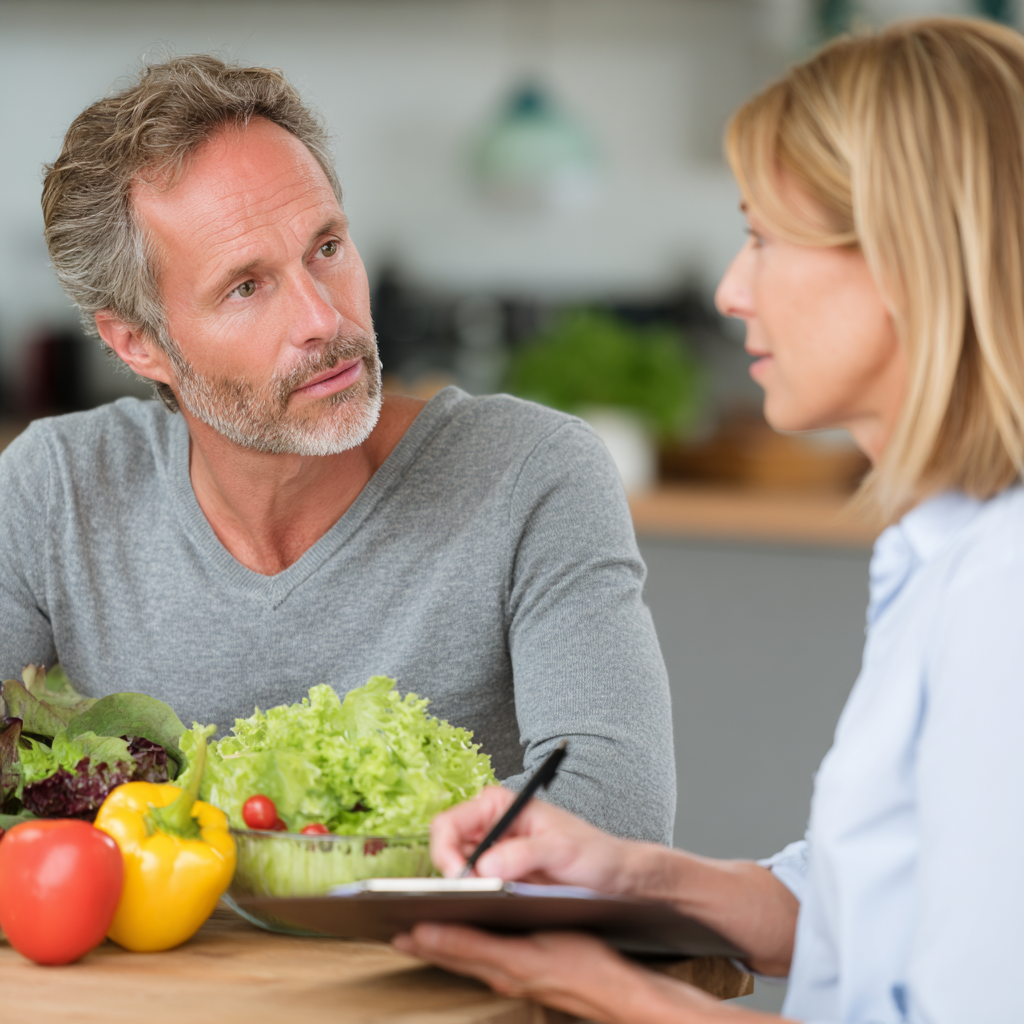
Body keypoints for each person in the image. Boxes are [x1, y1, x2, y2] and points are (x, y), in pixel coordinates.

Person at [393, 17, 1024, 1023]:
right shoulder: (942, 549)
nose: (732, 290)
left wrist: (611, 996)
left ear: (908, 258)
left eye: (766, 238)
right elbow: (859, 914)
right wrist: (625, 874)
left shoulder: (1004, 595)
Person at [0, 56, 675, 843]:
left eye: (326, 247)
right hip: (155, 970)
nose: (324, 317)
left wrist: (282, 855)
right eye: (247, 287)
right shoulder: (53, 491)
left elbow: (614, 805)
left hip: (430, 968)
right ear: (139, 342)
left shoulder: (533, 475)